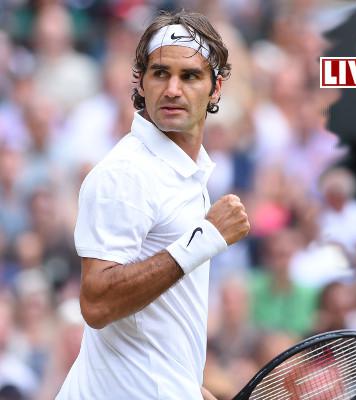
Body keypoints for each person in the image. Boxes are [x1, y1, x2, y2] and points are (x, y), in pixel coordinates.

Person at [56, 11, 250, 400]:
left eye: (190, 76)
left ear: (216, 88)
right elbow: (96, 302)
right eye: (160, 73)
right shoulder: (126, 173)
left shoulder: (185, 171)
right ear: (141, 83)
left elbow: (157, 321)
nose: (173, 89)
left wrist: (189, 388)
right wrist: (205, 238)